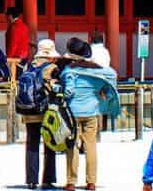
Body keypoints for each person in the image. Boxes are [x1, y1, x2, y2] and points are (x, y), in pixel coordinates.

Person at [60, 37, 118, 191]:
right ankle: (91, 182)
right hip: (92, 112)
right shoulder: (97, 70)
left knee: (72, 146)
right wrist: (102, 92)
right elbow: (112, 77)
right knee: (91, 146)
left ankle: (71, 181)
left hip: (73, 113)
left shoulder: (70, 70)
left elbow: (69, 91)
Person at [17, 38, 61, 190]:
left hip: (29, 110)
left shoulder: (28, 66)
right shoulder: (52, 68)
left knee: (32, 144)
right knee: (50, 144)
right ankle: (48, 179)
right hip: (45, 111)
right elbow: (56, 88)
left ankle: (31, 180)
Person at [5, 7, 33, 88]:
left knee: (14, 80)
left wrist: (9, 58)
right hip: (23, 57)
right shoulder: (24, 26)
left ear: (10, 16)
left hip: (15, 58)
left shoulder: (14, 27)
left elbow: (13, 44)